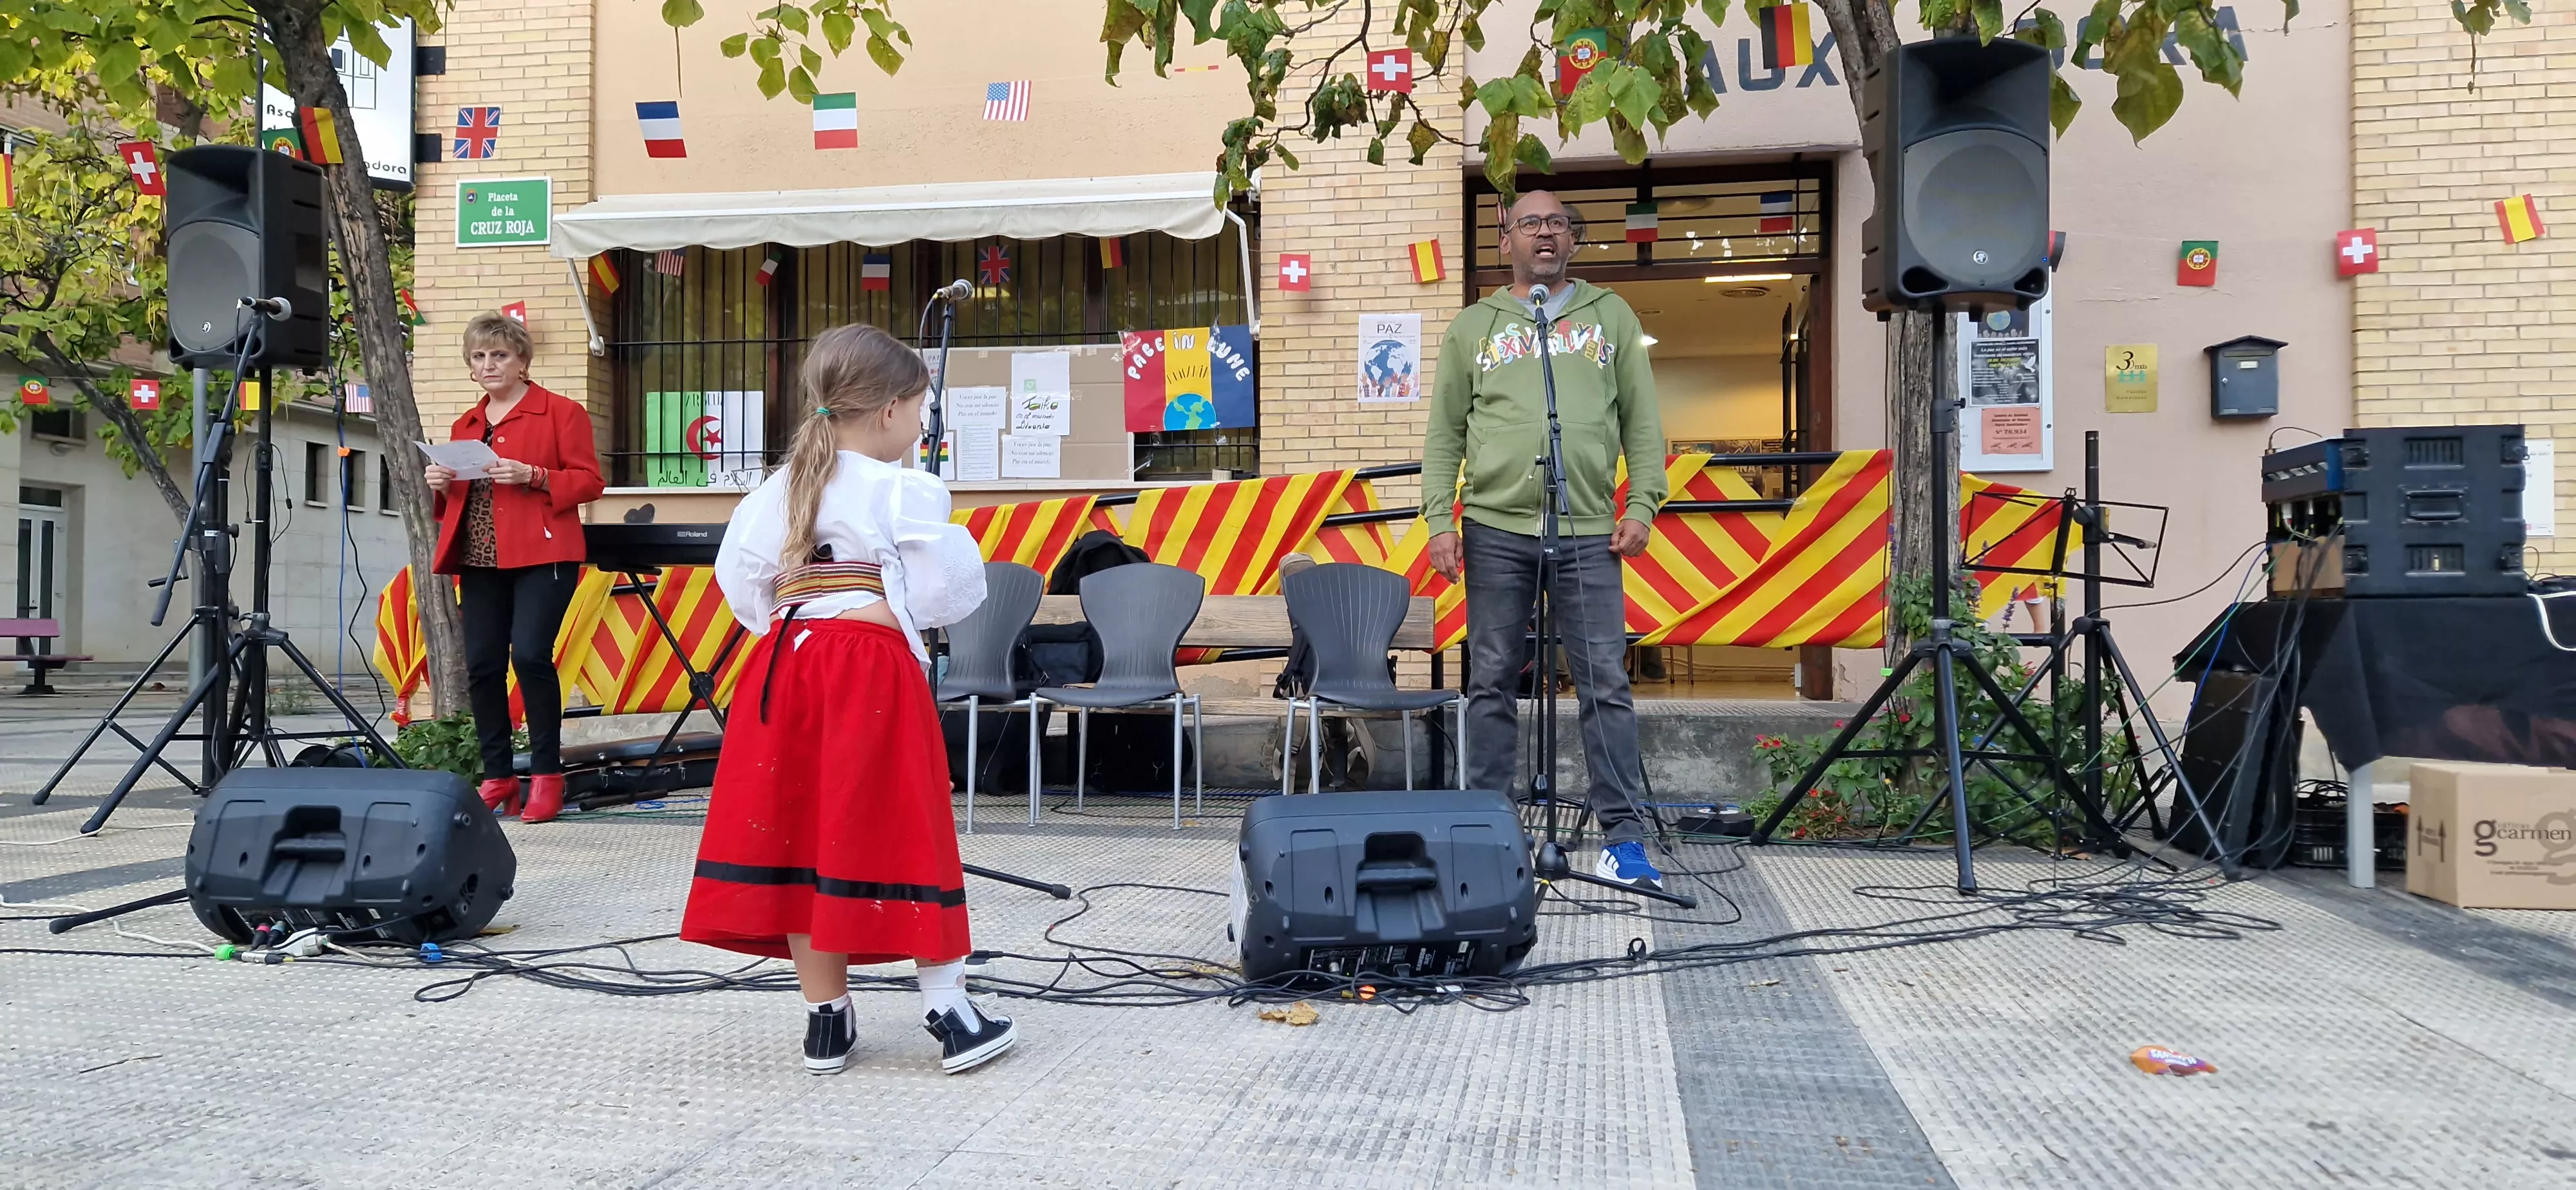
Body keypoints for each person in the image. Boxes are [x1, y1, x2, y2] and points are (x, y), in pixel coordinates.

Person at [681, 323, 1011, 1077]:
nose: (921, 425)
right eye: (921, 409)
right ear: (891, 410)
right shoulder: (904, 487)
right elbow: (944, 592)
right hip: (865, 666)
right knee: (905, 819)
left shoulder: (775, 488)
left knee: (800, 831)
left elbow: (742, 590)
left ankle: (825, 1021)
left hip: (780, 668)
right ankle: (951, 1011)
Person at [1420, 190, 1670, 891]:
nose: (1545, 234)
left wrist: (1643, 504)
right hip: (1495, 528)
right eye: (1530, 224)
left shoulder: (1609, 315)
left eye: (1558, 223)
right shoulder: (1475, 326)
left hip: (1589, 528)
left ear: (1572, 240)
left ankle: (1622, 837)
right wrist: (1441, 518)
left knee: (1605, 683)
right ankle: (1487, 831)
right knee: (1492, 679)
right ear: (1507, 242)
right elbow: (1444, 433)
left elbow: (1643, 424)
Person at [426, 312, 604, 825]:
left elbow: (590, 481)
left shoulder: (561, 413)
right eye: (479, 357)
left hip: (544, 554)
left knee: (530, 656)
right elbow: (463, 501)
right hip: (480, 557)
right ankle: (498, 776)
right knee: (482, 664)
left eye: (500, 355)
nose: (489, 365)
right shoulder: (467, 424)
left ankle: (548, 776)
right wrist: (442, 484)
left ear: (523, 361)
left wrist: (536, 475)